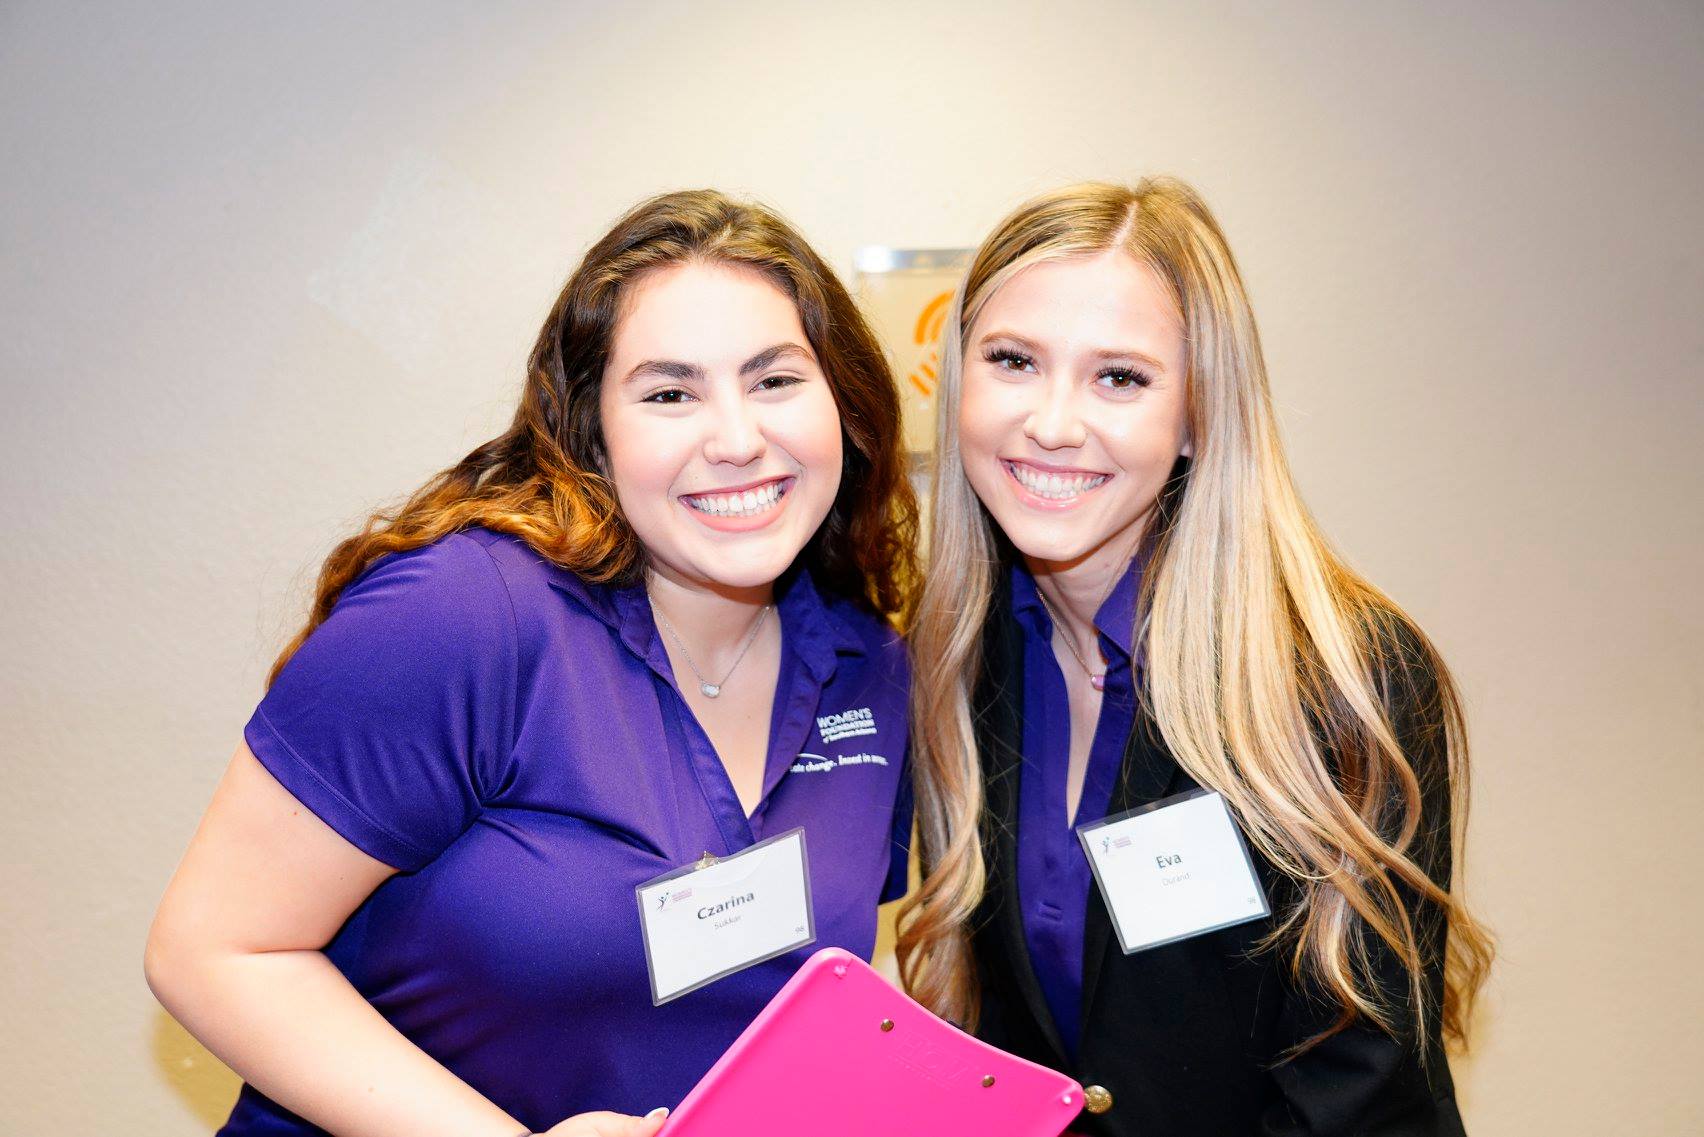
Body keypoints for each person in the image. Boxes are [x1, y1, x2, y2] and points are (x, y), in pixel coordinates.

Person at [145, 189, 918, 1137]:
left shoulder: (866, 662)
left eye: (775, 380)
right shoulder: (465, 616)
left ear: (843, 398)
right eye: (670, 393)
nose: (736, 439)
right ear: (592, 431)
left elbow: (826, 979)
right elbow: (215, 949)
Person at [897, 178, 1493, 1136]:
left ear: (1198, 416)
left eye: (1120, 378)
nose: (1052, 422)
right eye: (1012, 360)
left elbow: (1361, 1091)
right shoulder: (962, 659)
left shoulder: (1342, 677)